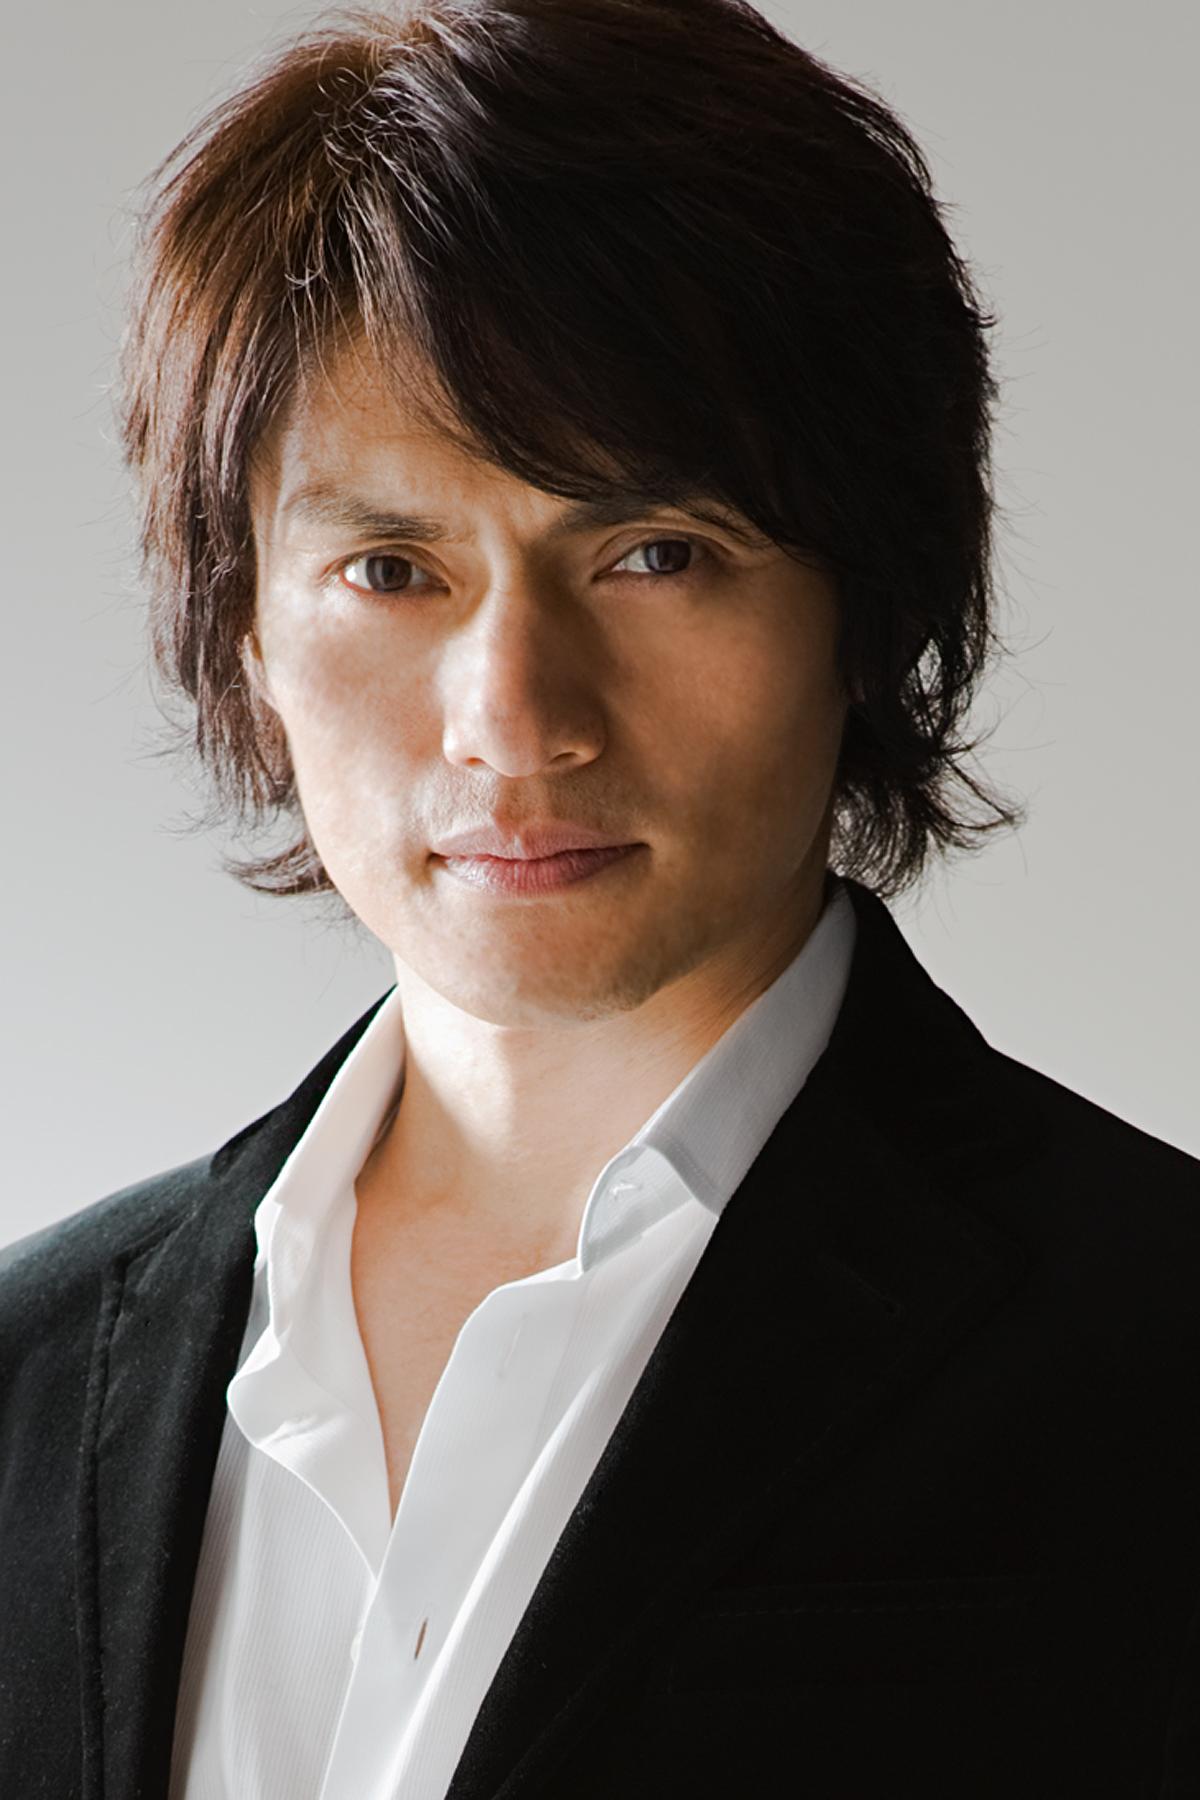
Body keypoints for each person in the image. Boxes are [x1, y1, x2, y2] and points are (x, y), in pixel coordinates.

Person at [2, 1, 1197, 1794]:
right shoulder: (28, 1379)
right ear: (244, 627)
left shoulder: (1156, 1351)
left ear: (869, 603)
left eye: (653, 552)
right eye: (390, 569)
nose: (516, 719)